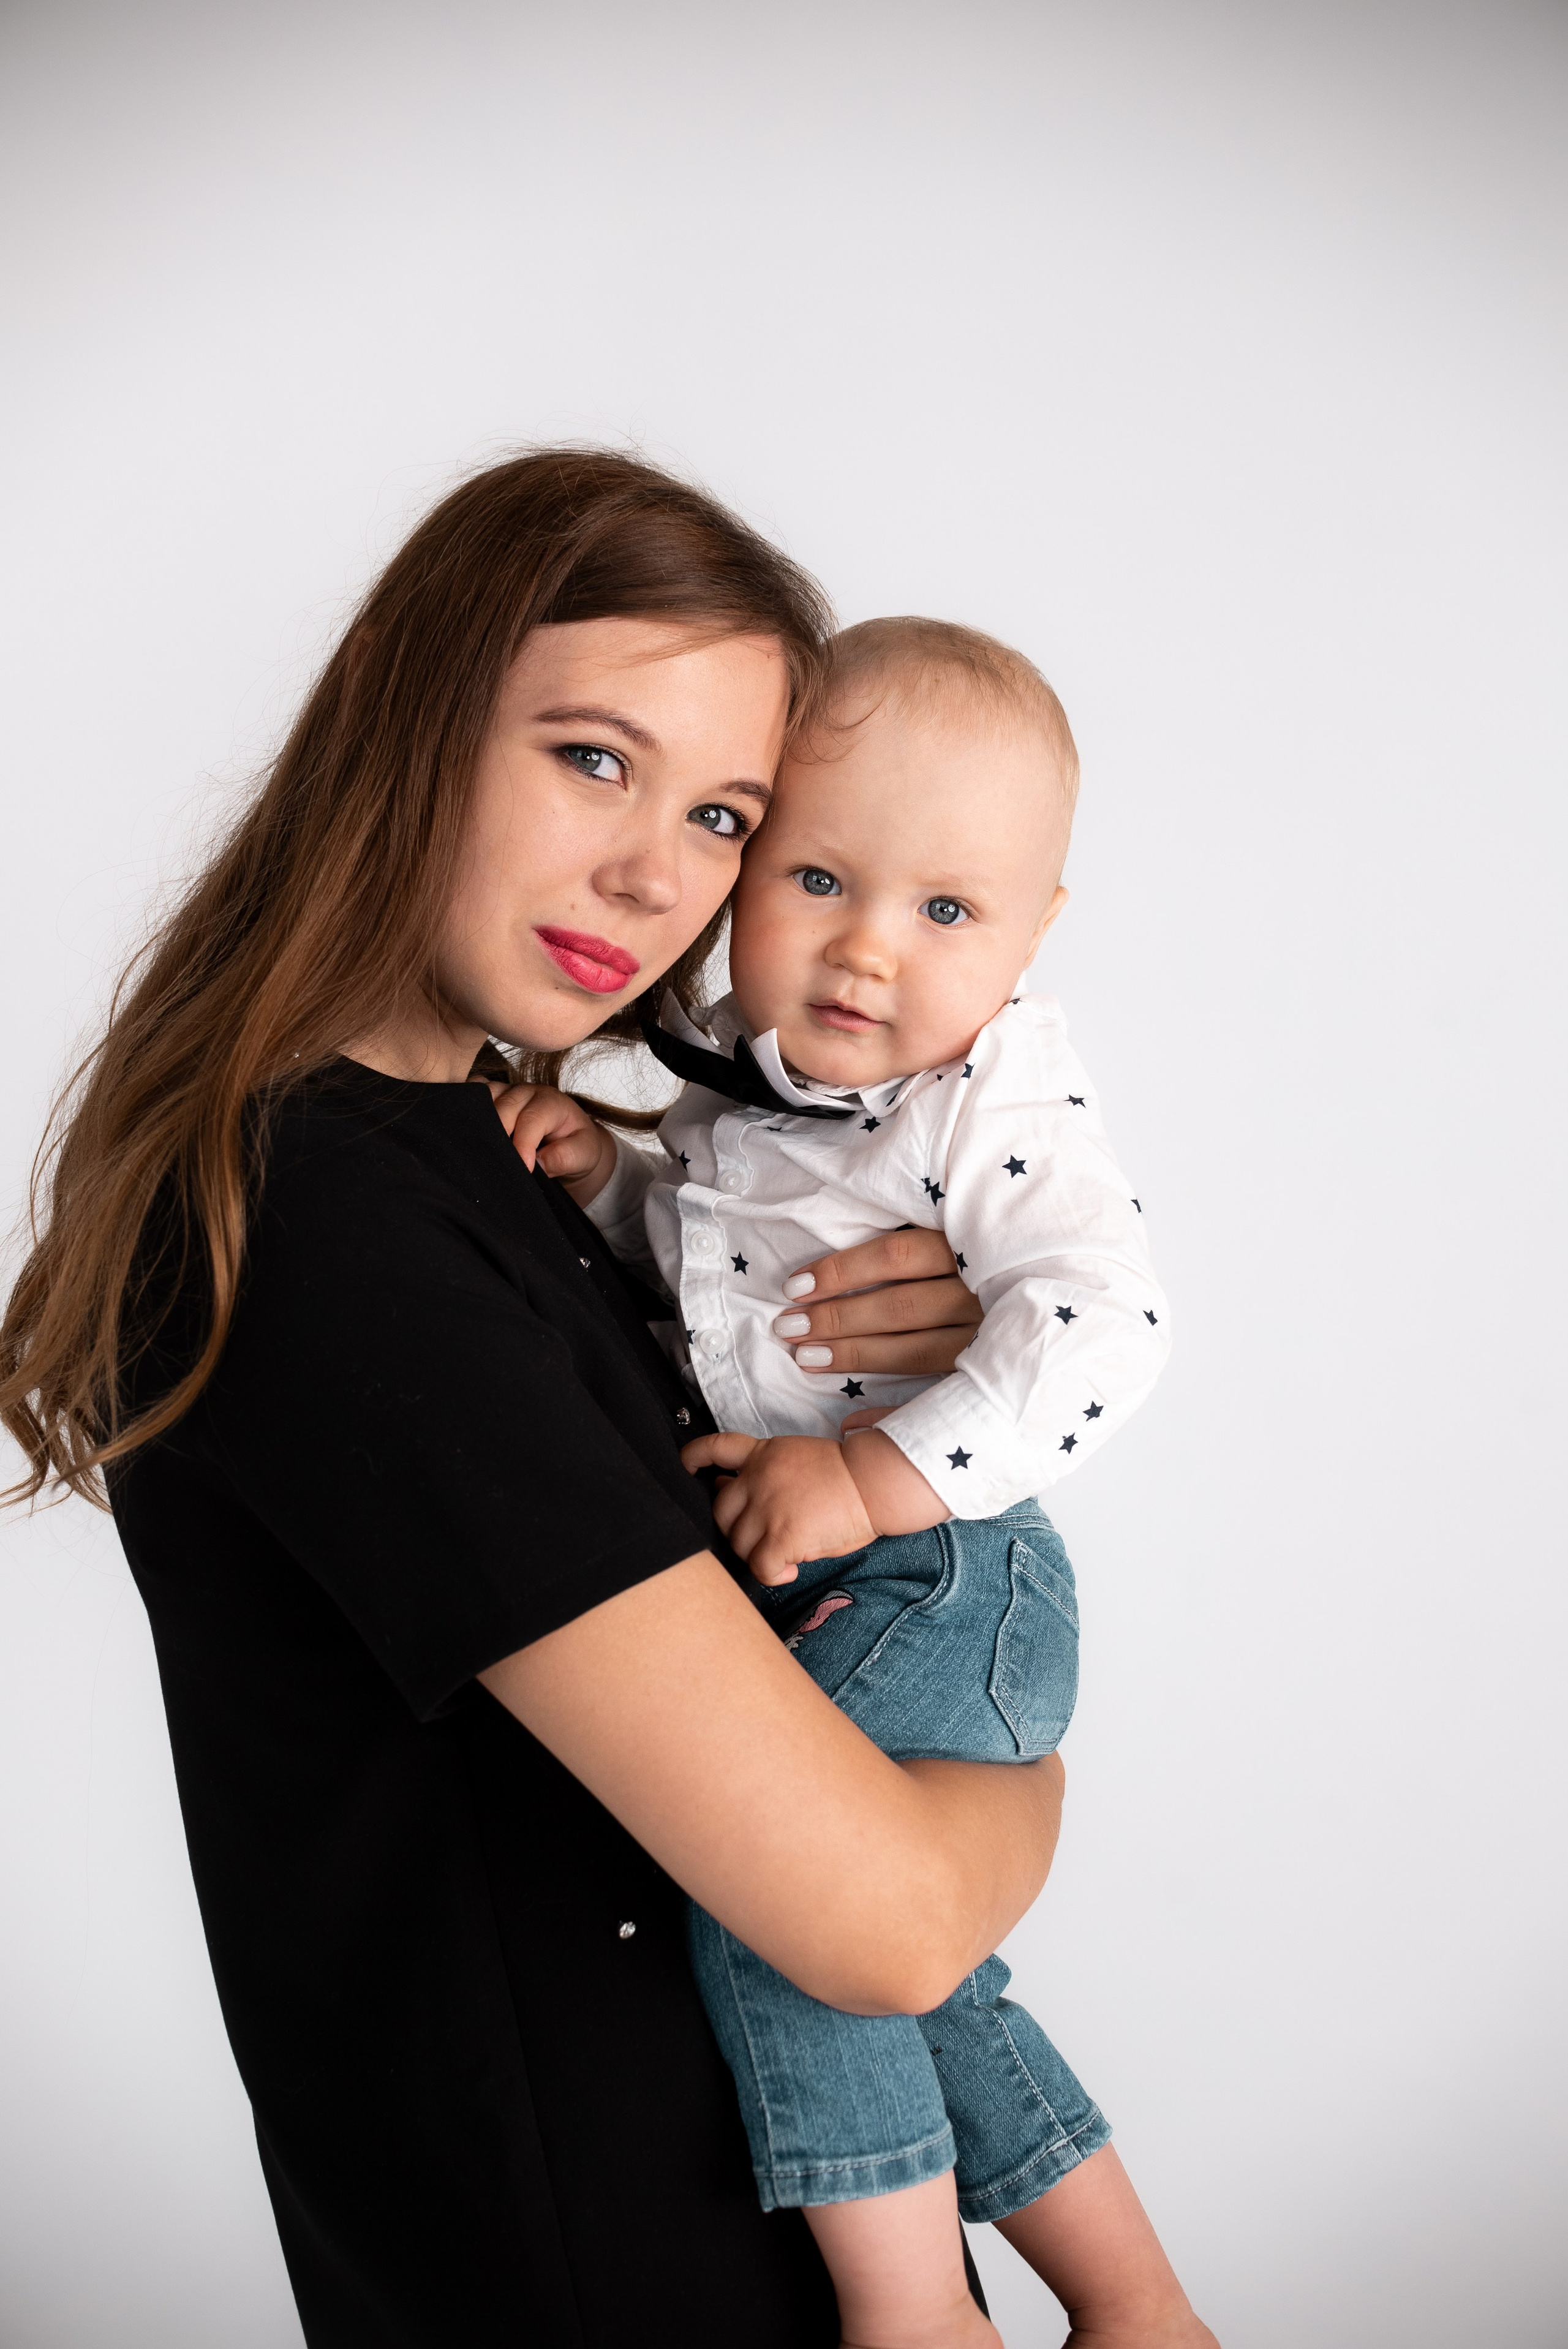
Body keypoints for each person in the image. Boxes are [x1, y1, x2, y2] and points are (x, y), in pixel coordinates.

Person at [0, 455, 1070, 2347]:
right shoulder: (324, 1220)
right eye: (593, 758)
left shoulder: (494, 1154)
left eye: (725, 814)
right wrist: (1019, 1764)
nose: (659, 874)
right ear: (405, 704)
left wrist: (883, 1381)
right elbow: (893, 1920)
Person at [492, 617, 1219, 2348]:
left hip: (950, 1571)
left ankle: (910, 2315)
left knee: (783, 1894)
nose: (868, 948)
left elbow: (1109, 1323)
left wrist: (874, 1476)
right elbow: (726, 1298)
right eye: (817, 878)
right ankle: (1138, 2303)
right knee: (919, 1960)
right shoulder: (751, 1088)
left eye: (947, 909)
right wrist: (607, 1188)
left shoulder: (990, 1094)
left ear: (1034, 933)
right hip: (866, 1570)